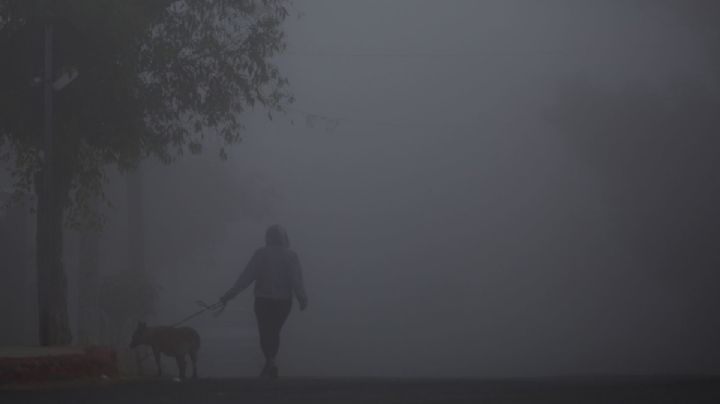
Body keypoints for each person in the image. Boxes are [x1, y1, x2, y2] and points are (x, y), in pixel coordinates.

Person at [220, 224, 308, 379]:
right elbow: (296, 280)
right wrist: (302, 297)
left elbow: (246, 277)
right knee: (274, 331)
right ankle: (271, 361)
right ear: (284, 238)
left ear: (268, 237)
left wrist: (229, 295)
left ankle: (270, 361)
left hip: (263, 300)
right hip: (283, 301)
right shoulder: (291, 256)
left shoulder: (261, 254)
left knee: (265, 331)